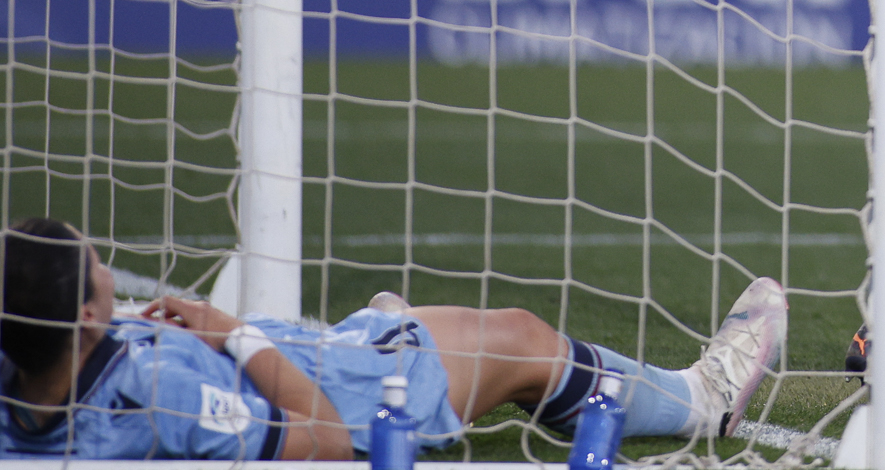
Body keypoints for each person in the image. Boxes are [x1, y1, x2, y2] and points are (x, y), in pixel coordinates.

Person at [0, 217, 785, 458]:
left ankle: (380, 332)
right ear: (90, 317)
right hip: (334, 392)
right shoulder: (158, 396)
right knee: (516, 338)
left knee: (408, 329)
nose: (107, 269)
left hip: (290, 357)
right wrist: (231, 334)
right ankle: (701, 400)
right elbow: (325, 438)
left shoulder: (20, 383)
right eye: (99, 269)